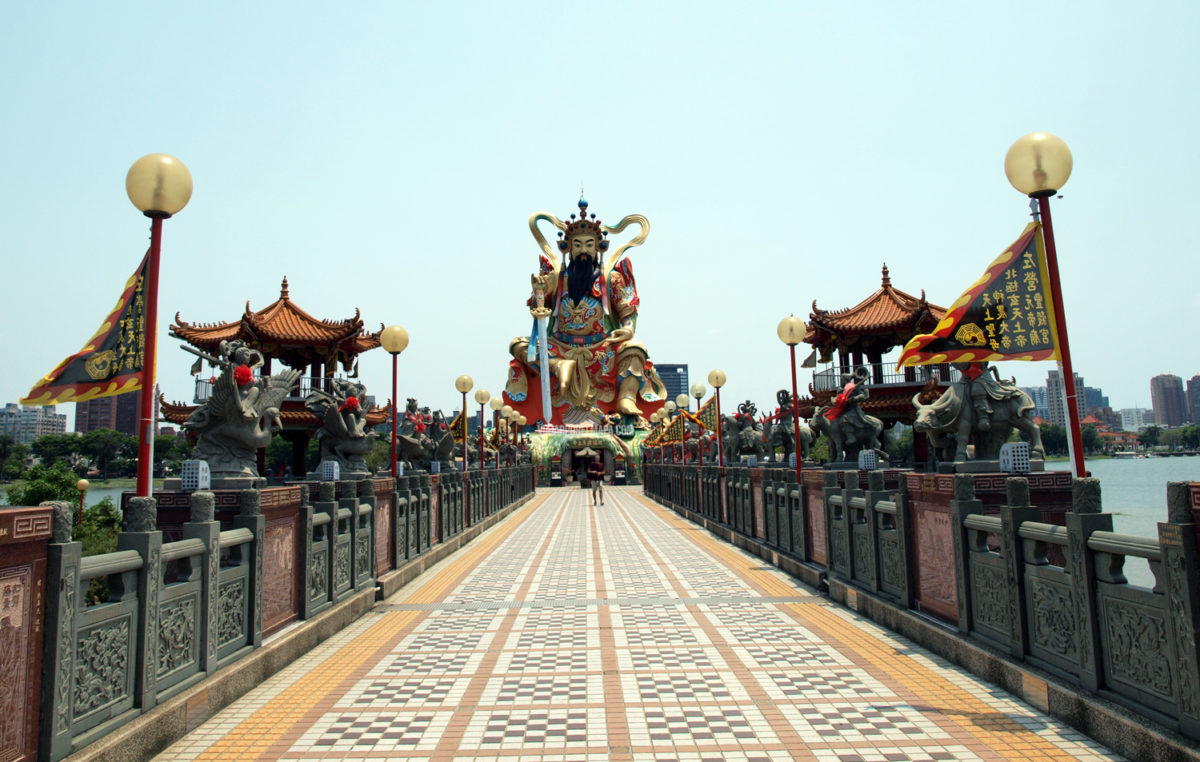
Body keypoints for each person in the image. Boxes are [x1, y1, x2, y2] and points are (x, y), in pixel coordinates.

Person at [506, 199, 668, 425]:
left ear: (598, 248)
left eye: (589, 245)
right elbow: (539, 311)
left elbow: (627, 312)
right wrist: (540, 291)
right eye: (578, 245)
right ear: (568, 248)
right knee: (519, 344)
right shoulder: (556, 278)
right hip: (561, 347)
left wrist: (628, 330)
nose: (583, 250)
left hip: (600, 348)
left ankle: (626, 398)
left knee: (635, 349)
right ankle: (557, 366)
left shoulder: (612, 279)